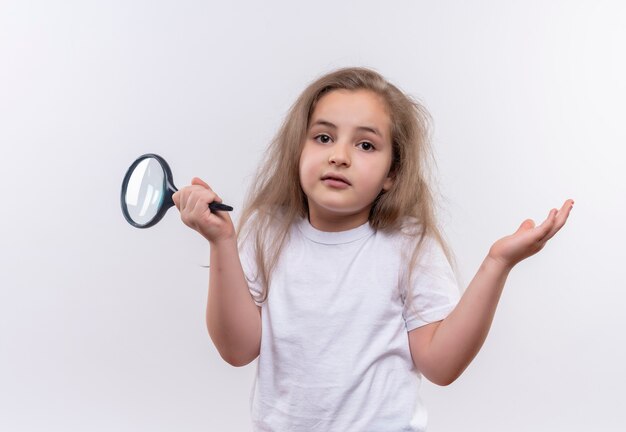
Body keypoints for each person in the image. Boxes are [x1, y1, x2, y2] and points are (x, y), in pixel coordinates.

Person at [172, 66, 574, 431]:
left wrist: (497, 263)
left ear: (391, 174)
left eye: (365, 145)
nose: (339, 156)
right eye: (323, 137)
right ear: (299, 150)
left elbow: (440, 365)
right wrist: (221, 240)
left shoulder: (407, 243)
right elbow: (238, 349)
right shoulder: (267, 230)